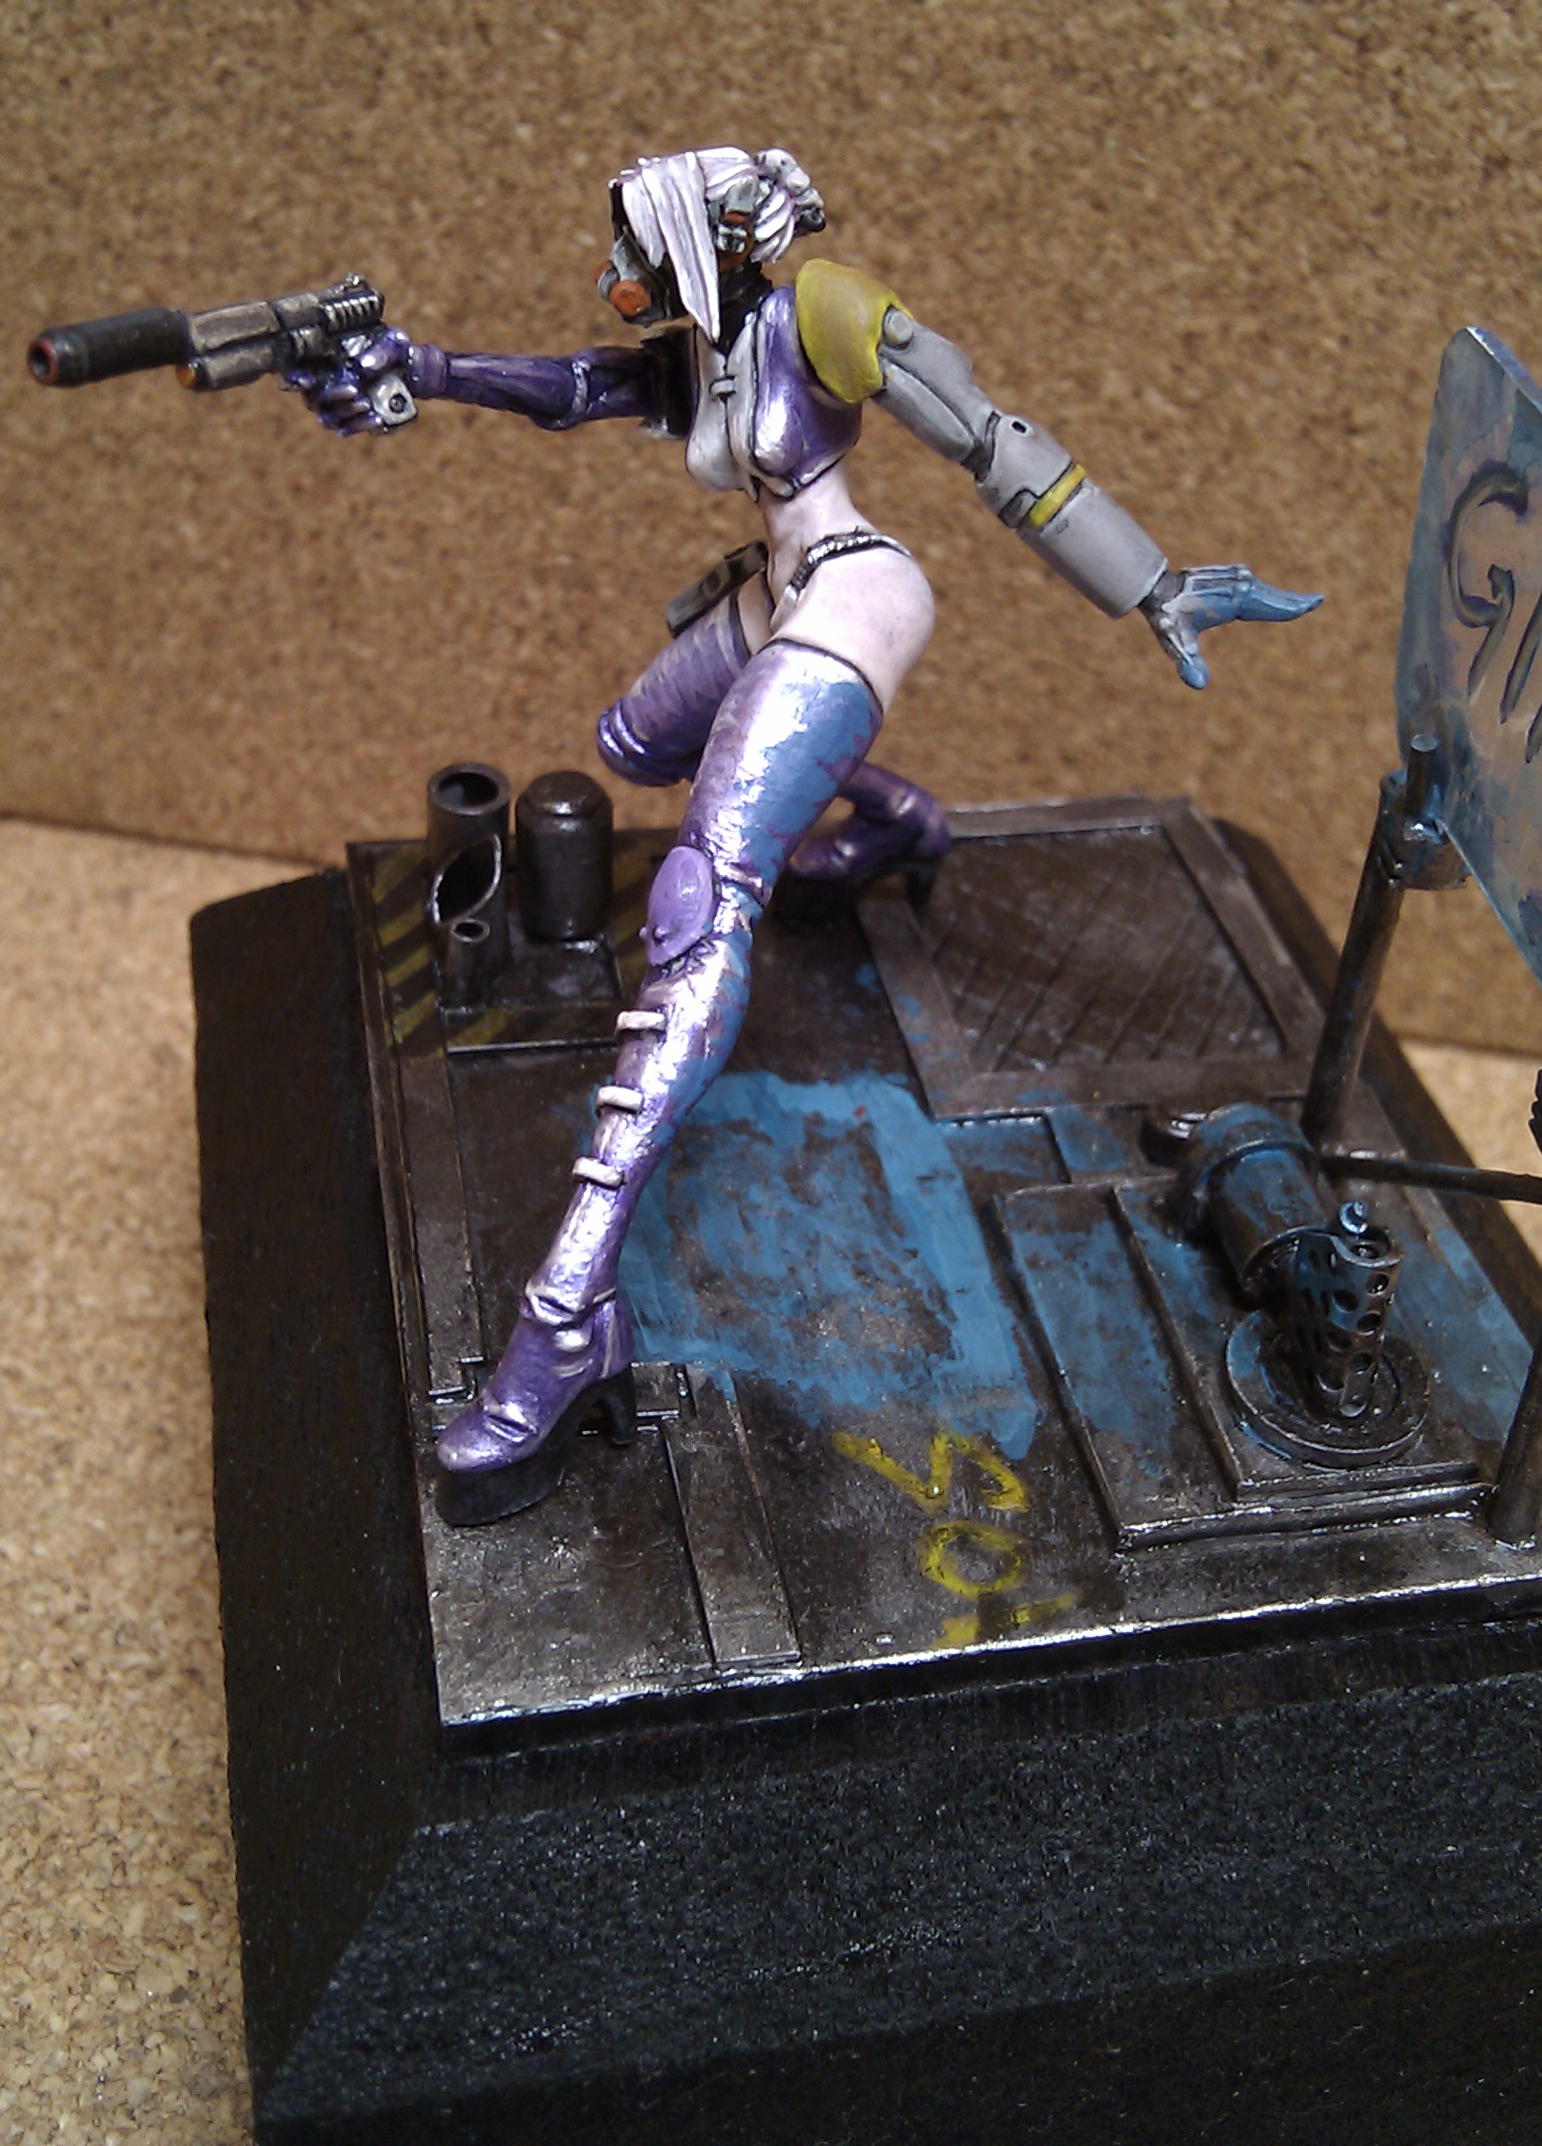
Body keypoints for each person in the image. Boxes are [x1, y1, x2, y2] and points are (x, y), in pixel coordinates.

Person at [294, 142, 1319, 1523]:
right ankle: (895, 815)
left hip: (855, 594)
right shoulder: (698, 351)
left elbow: (991, 434)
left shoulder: (820, 311)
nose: (622, 276)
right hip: (778, 592)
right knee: (634, 742)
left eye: (640, 249)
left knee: (701, 896)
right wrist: (415, 366)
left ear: (712, 235)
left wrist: (1153, 583)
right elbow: (569, 388)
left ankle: (565, 1313)